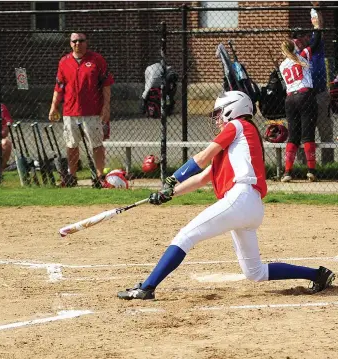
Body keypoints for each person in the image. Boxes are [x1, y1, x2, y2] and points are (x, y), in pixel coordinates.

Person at [117, 91, 335, 301]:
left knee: (185, 236)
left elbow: (202, 157)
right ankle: (318, 275)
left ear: (233, 110)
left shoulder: (237, 125)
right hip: (250, 206)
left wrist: (173, 178)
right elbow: (202, 178)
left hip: (240, 197)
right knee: (254, 272)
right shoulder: (236, 147)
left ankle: (147, 288)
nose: (217, 119)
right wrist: (168, 194)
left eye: (220, 112)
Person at [49, 32, 114, 188]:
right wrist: (53, 106)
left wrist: (106, 107)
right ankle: (71, 175)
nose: (78, 44)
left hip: (92, 111)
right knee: (71, 145)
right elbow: (59, 87)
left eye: (81, 41)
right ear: (70, 43)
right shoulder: (64, 62)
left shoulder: (96, 60)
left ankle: (99, 176)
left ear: (86, 42)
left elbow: (106, 85)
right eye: (74, 41)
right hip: (70, 111)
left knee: (96, 144)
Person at [294, 5, 335, 164]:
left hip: (319, 93)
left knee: (325, 130)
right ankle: (303, 165)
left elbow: (319, 27)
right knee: (304, 131)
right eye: (297, 37)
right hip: (303, 97)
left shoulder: (315, 45)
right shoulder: (295, 53)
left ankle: (329, 163)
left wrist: (316, 9)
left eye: (303, 36)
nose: (301, 39)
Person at [279, 31, 321, 183]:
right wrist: (317, 27)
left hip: (290, 99)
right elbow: (315, 43)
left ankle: (287, 172)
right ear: (295, 47)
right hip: (305, 96)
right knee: (308, 135)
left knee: (293, 136)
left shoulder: (282, 65)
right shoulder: (302, 56)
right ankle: (311, 171)